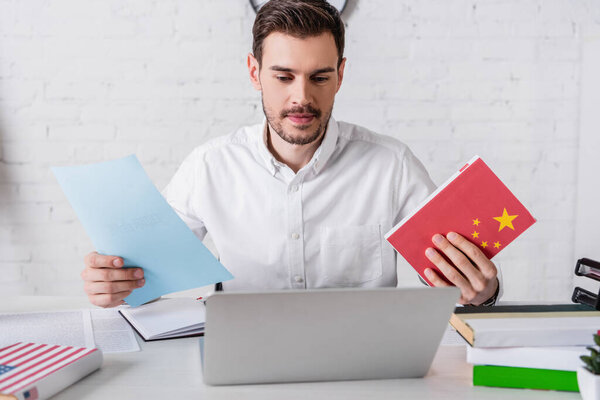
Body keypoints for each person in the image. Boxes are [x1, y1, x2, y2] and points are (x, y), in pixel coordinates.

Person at [80, 0, 499, 308]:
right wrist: (113, 283)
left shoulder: (392, 166)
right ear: (253, 72)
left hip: (364, 370)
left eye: (320, 77)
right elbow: (144, 275)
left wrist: (484, 293)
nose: (302, 97)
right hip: (244, 365)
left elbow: (457, 280)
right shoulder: (209, 166)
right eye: (283, 76)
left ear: (340, 76)